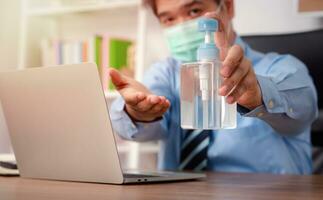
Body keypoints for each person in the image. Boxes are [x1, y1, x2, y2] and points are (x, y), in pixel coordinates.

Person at [109, 0, 318, 174]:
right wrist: (137, 111)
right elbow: (131, 125)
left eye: (194, 11)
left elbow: (303, 110)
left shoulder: (283, 67)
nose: (181, 26)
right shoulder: (166, 72)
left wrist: (259, 94)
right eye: (169, 19)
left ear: (227, 7)